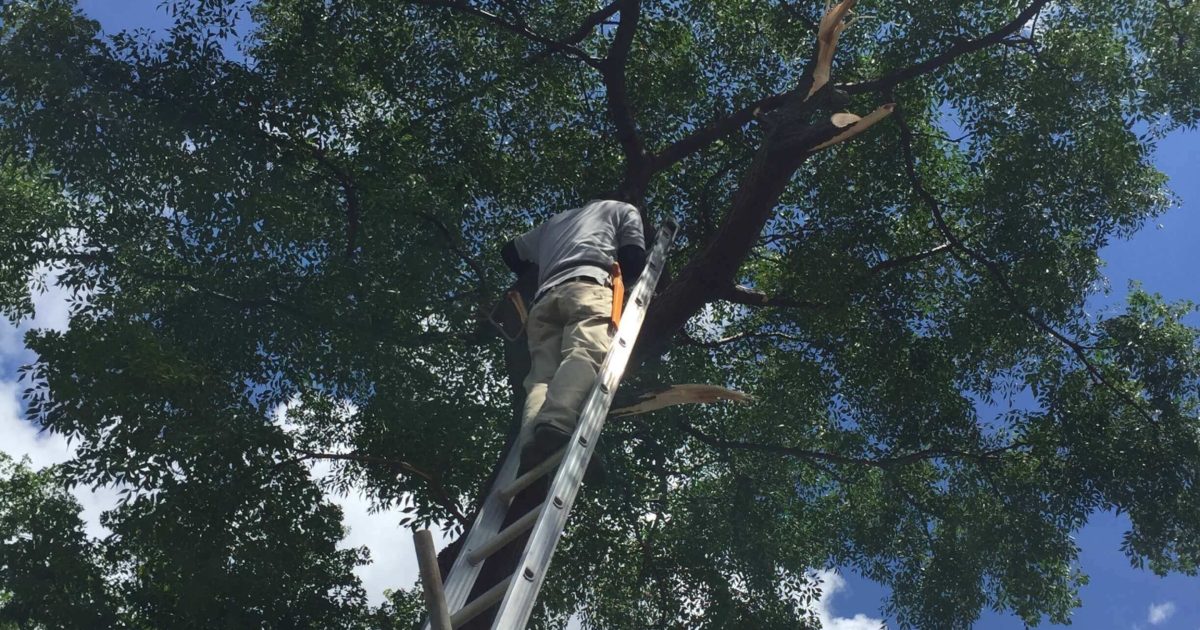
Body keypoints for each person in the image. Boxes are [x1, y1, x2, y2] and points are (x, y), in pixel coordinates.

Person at [501, 199, 646, 470]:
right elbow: (634, 259)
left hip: (543, 301)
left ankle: (530, 443)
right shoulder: (623, 209)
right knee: (585, 352)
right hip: (589, 287)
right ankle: (556, 424)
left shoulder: (554, 222)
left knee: (541, 377)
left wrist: (543, 269)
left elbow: (509, 251)